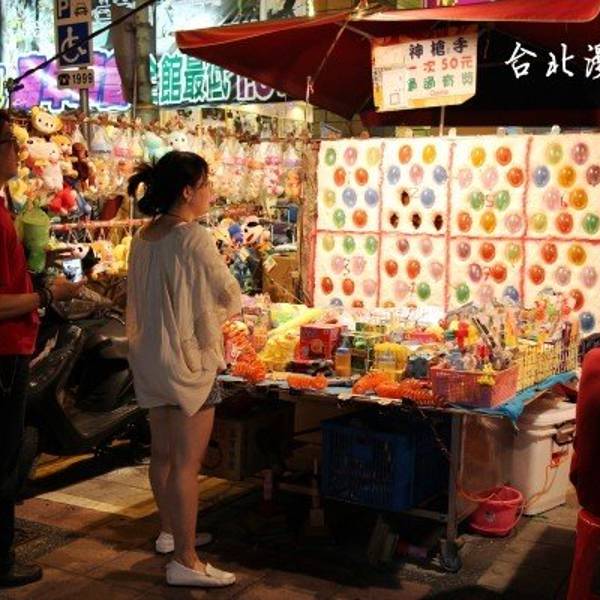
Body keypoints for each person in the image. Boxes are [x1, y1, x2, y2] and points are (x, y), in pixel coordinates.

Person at [126, 151, 241, 588]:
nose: (211, 191)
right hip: (188, 362)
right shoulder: (193, 237)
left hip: (150, 358)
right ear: (188, 191)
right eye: (207, 183)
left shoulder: (143, 236)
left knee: (163, 454)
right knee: (187, 465)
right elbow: (228, 295)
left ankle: (171, 533)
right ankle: (186, 560)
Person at [0, 110, 83, 588]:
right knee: (3, 458)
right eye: (11, 143)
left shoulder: (5, 210)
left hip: (12, 347)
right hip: (4, 352)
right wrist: (48, 295)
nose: (18, 150)